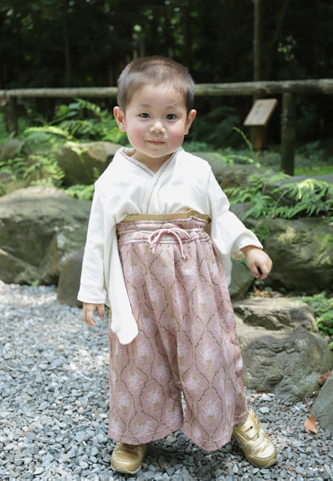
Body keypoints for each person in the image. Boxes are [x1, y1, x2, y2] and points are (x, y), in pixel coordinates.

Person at [78, 56, 277, 475]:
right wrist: (93, 292)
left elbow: (221, 215)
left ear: (188, 121)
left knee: (211, 354)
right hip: (138, 288)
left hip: (194, 284)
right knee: (138, 358)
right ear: (120, 117)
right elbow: (97, 238)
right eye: (144, 115)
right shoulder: (111, 181)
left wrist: (247, 246)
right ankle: (135, 431)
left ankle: (237, 417)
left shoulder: (197, 170)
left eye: (170, 117)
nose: (156, 127)